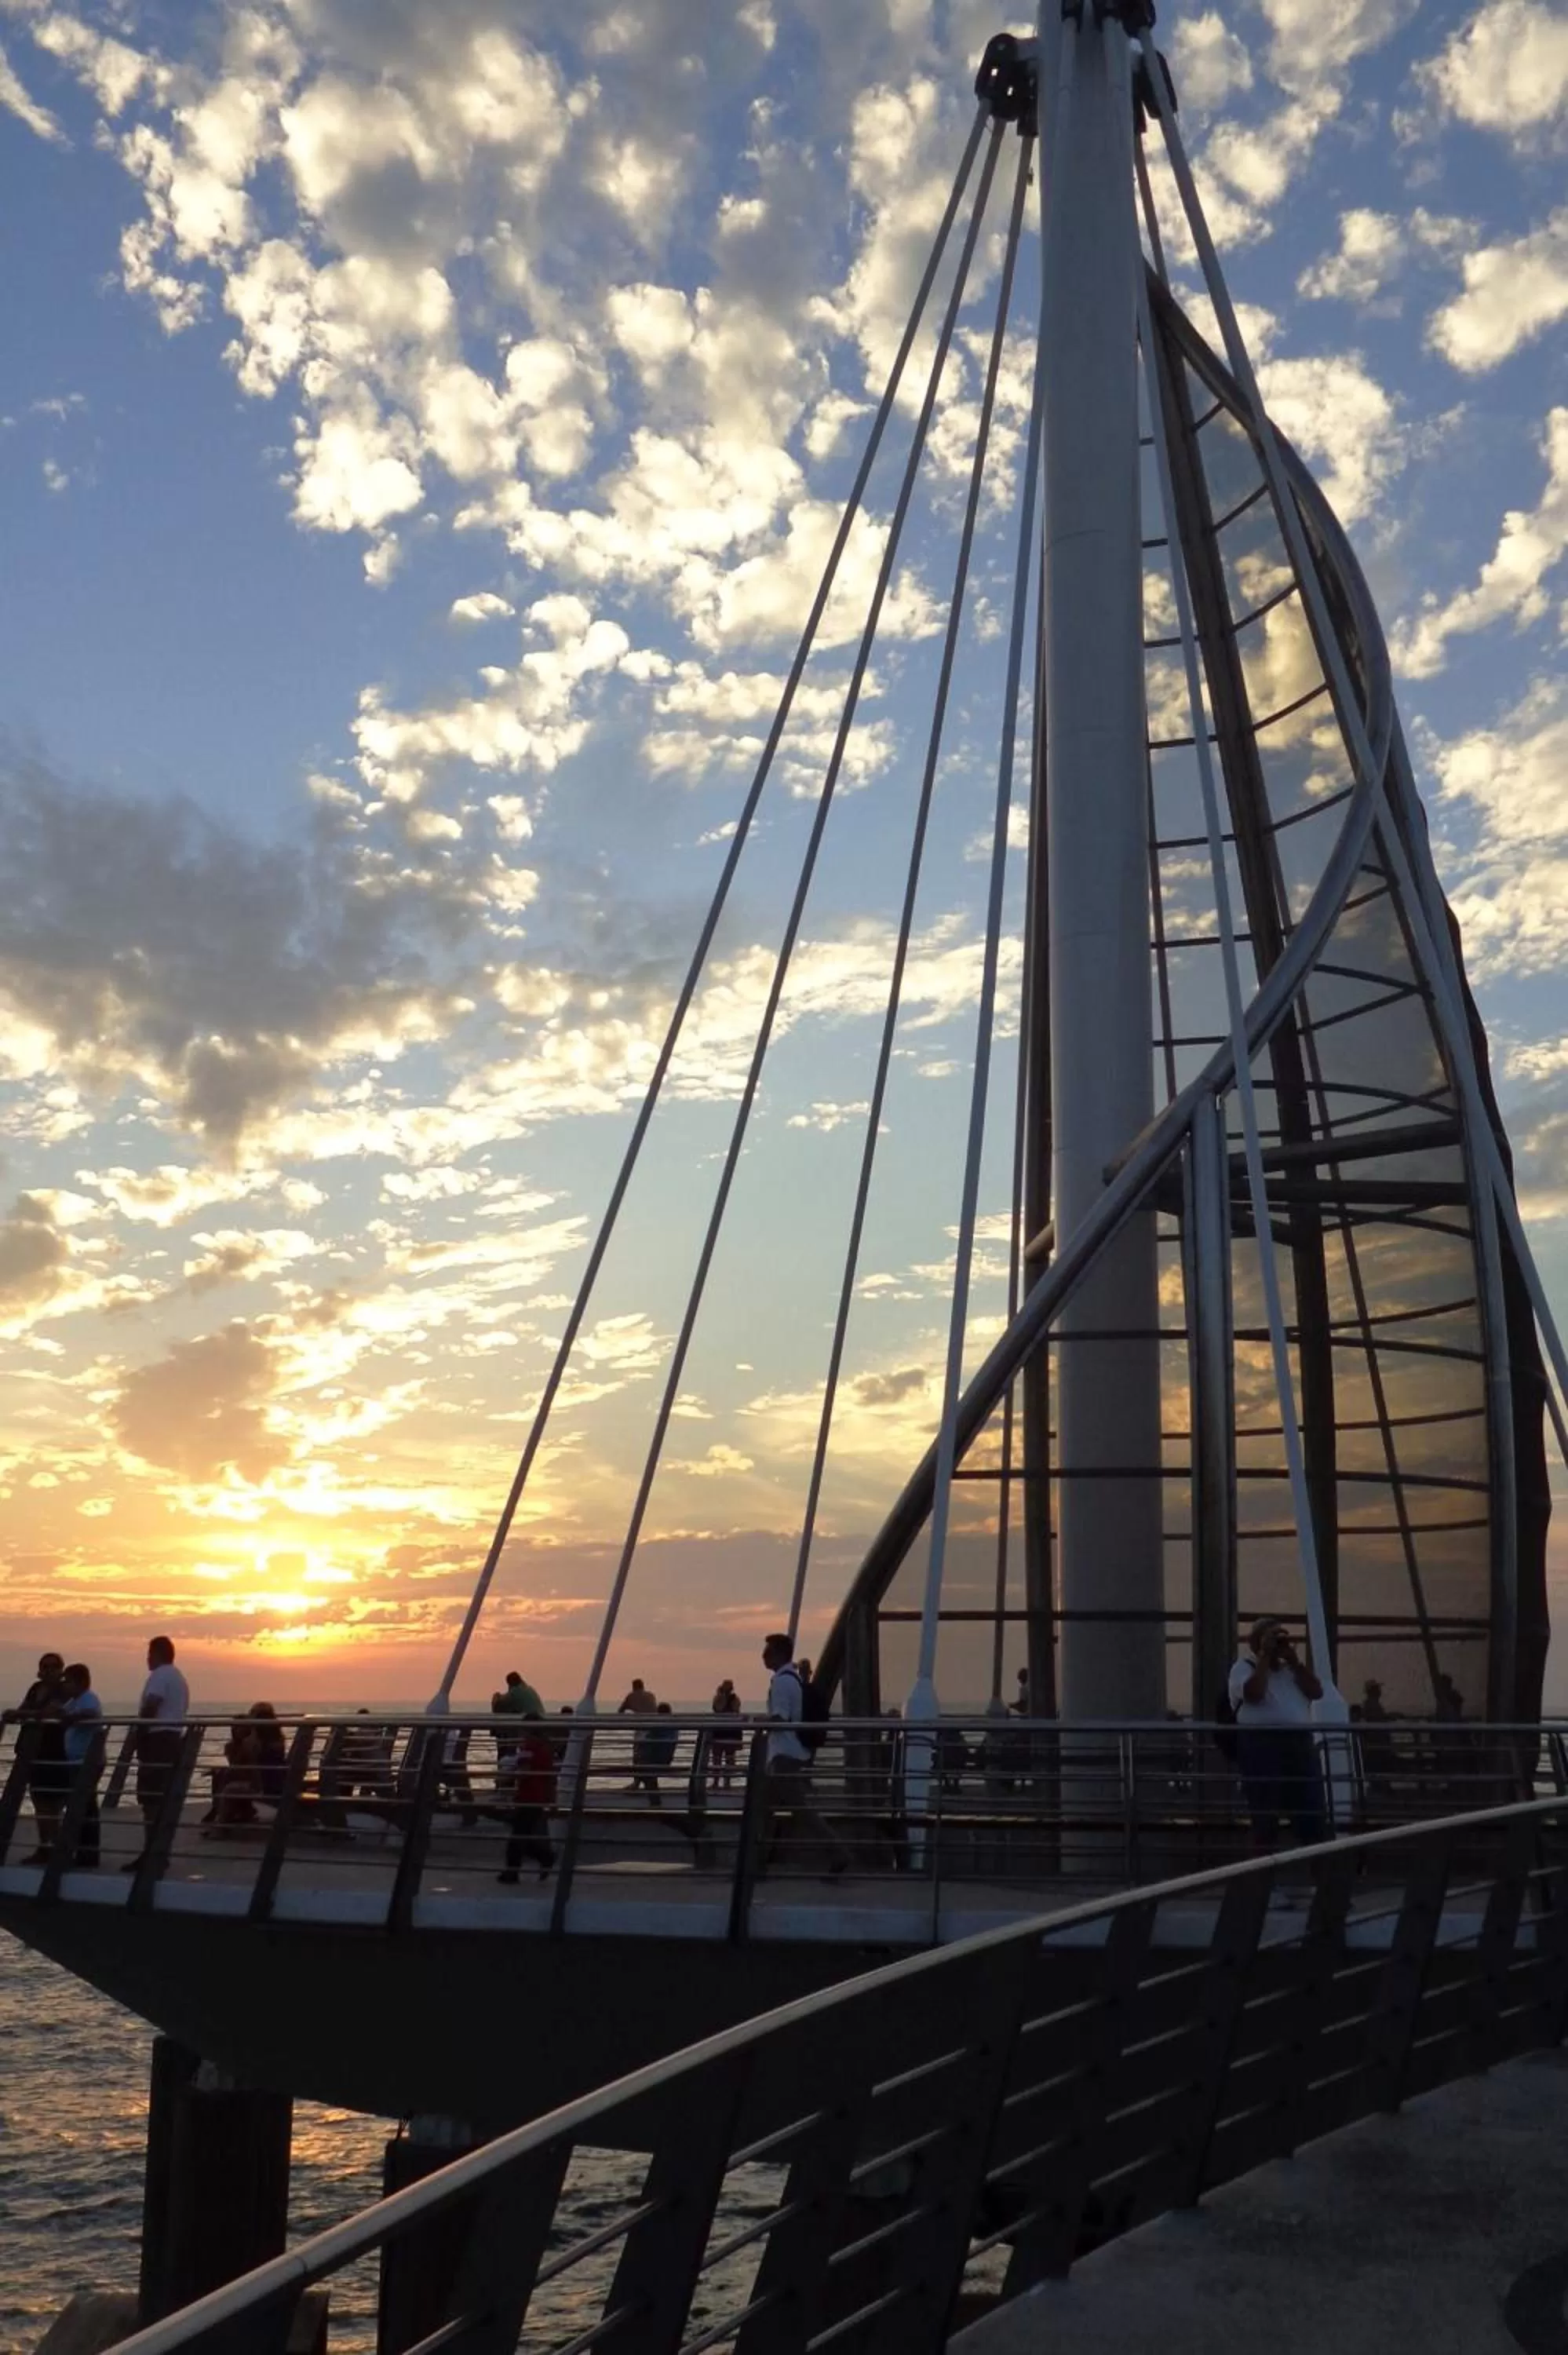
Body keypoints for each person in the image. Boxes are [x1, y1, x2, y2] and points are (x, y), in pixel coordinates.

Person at [1227, 1618, 1326, 1853]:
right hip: (1262, 1745)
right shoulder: (1244, 1667)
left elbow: (1316, 1692)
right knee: (1265, 1812)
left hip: (1299, 1744)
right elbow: (1254, 1693)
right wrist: (1264, 1657)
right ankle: (1265, 1866)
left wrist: (1294, 1661)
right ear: (1255, 1642)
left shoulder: (1290, 1671)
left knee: (1310, 1810)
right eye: (1270, 1638)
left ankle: (1314, 1859)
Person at [758, 1632, 847, 1878]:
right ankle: (756, 1861)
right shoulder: (792, 1679)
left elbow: (780, 1719)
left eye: (768, 1651)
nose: (763, 1656)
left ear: (779, 1654)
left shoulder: (782, 1682)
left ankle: (838, 1852)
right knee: (764, 1810)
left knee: (799, 1810)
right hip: (787, 1754)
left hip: (783, 1756)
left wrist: (758, 1724)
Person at [126, 1636, 189, 1870]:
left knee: (151, 1801)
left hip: (158, 1742)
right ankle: (158, 1853)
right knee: (160, 1800)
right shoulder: (178, 1677)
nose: (147, 1659)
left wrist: (139, 1734)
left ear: (158, 1654)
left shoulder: (161, 1676)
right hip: (172, 1740)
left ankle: (152, 1854)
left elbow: (151, 1706)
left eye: (150, 1653)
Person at [17, 1652, 67, 1864]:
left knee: (52, 1804)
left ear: (61, 1670)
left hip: (54, 1752)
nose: (48, 1670)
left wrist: (29, 1714)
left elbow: (48, 1712)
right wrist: (23, 1714)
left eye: (53, 1667)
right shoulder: (35, 1689)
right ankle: (44, 1846)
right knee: (39, 1802)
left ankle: (54, 1848)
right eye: (44, 1666)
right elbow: (23, 1710)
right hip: (33, 1751)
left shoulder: (63, 1690)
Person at [497, 1713, 556, 1884]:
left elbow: (524, 1772)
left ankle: (515, 1871)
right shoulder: (546, 1748)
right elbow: (549, 1776)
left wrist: (505, 1777)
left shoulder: (529, 1748)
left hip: (528, 1797)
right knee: (523, 1834)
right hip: (538, 1796)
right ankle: (544, 1857)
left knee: (518, 1837)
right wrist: (552, 1798)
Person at [57, 1663, 104, 1868]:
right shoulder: (74, 1701)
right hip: (76, 1761)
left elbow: (91, 1714)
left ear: (80, 1682)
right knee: (81, 1806)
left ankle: (88, 1855)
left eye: (68, 1681)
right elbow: (62, 1712)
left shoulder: (88, 1698)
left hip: (86, 1761)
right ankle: (83, 1852)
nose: (65, 1685)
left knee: (85, 1808)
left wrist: (71, 1718)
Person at [633, 1702, 679, 1806]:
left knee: (643, 1767)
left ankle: (655, 1801)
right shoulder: (674, 1726)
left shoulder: (658, 1726)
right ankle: (652, 1797)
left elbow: (646, 1740)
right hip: (666, 1759)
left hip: (654, 1759)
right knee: (645, 1769)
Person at [709, 1679, 742, 1791]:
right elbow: (718, 1708)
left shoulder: (735, 1699)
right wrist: (721, 1696)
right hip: (719, 1730)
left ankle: (727, 1782)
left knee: (729, 1758)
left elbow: (735, 1710)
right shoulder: (718, 1698)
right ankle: (716, 1782)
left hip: (731, 1731)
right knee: (716, 1758)